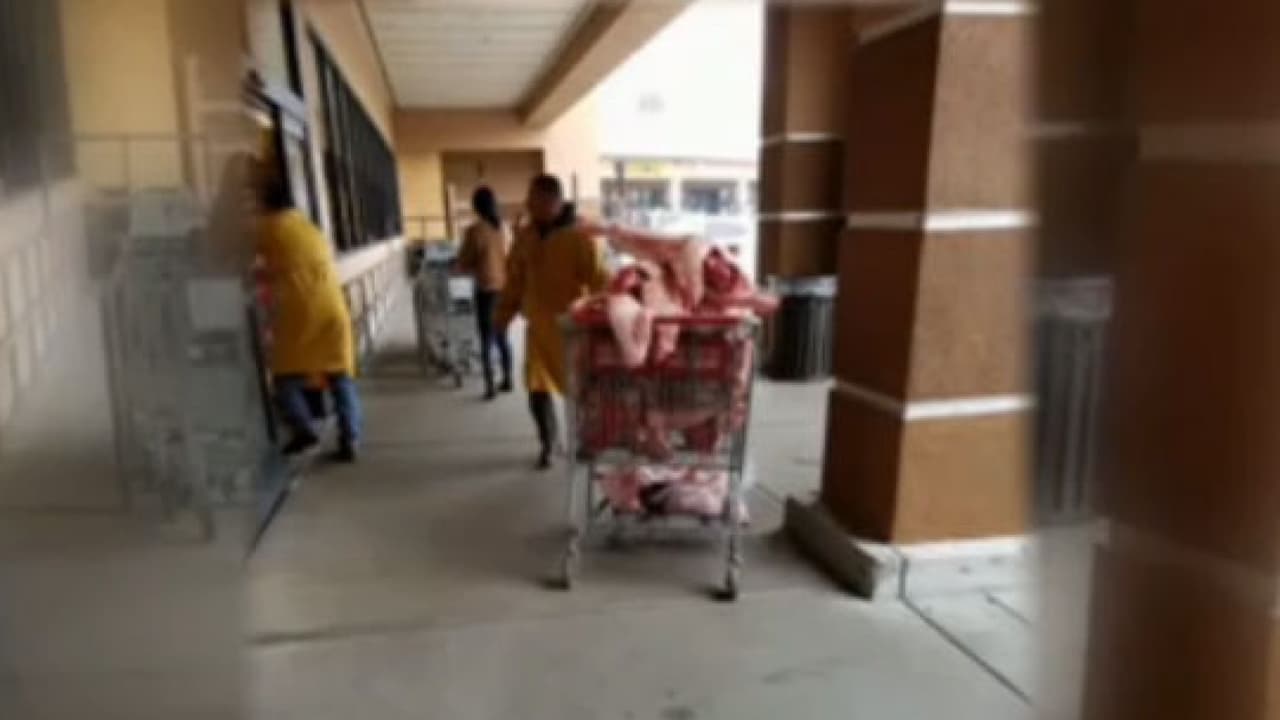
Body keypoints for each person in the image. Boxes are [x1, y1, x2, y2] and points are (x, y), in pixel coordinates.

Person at [497, 174, 608, 469]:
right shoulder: (525, 237)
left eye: (536, 201)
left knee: (583, 392)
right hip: (538, 331)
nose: (529, 206)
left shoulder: (579, 238)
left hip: (572, 331)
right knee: (536, 390)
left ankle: (587, 441)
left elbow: (601, 281)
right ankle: (549, 443)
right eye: (530, 200)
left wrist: (605, 321)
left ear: (555, 202)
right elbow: (515, 281)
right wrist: (502, 315)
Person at [257, 174, 362, 462]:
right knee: (341, 378)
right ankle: (350, 437)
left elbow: (226, 252)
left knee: (284, 378)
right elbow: (294, 263)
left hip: (301, 313)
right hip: (333, 308)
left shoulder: (268, 227)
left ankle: (304, 429)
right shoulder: (308, 227)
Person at [456, 185, 514, 400]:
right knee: (502, 336)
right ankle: (508, 379)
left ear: (476, 207)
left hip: (486, 291)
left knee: (486, 339)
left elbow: (464, 262)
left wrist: (466, 265)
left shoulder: (475, 231)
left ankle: (490, 386)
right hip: (505, 289)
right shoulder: (504, 228)